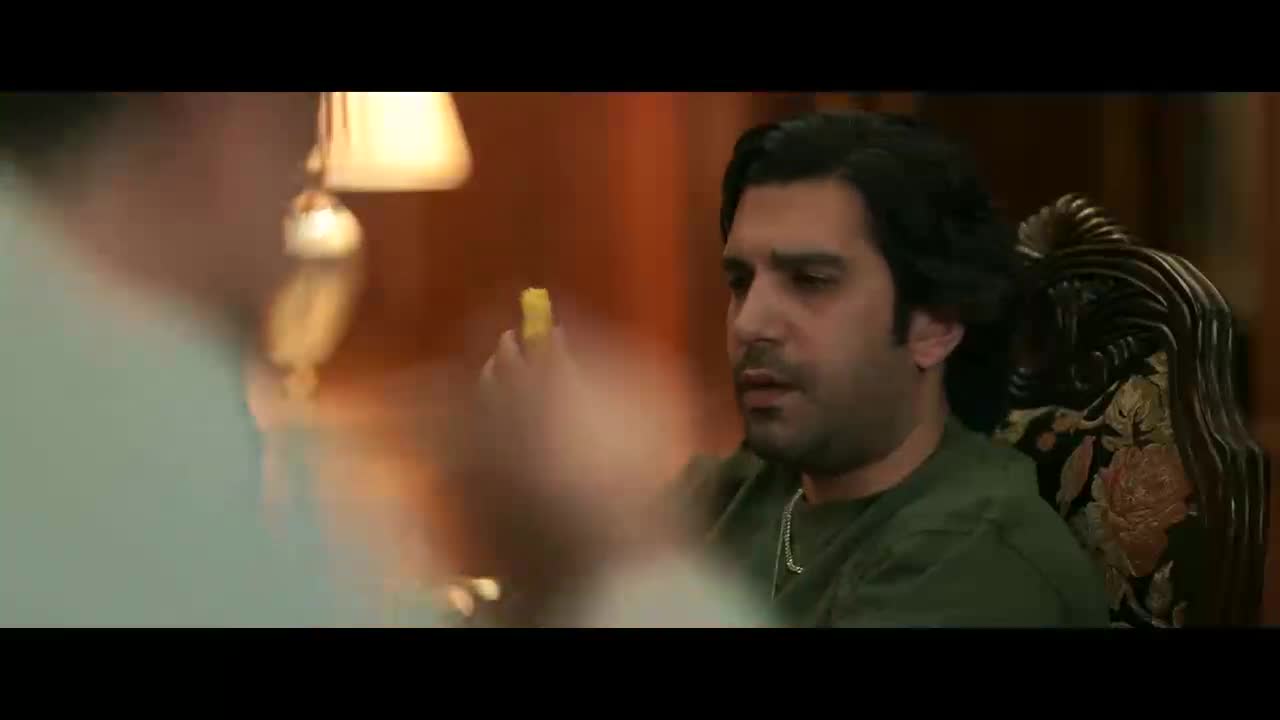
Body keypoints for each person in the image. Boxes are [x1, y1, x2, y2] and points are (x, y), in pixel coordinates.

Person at [0, 92, 766, 627]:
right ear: (207, 111)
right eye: (299, 164)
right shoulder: (147, 448)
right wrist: (625, 551)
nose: (283, 249)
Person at [480, 111, 1111, 627]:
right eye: (740, 282)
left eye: (809, 280)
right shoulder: (733, 489)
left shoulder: (977, 561)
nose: (750, 322)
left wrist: (598, 519)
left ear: (934, 326)